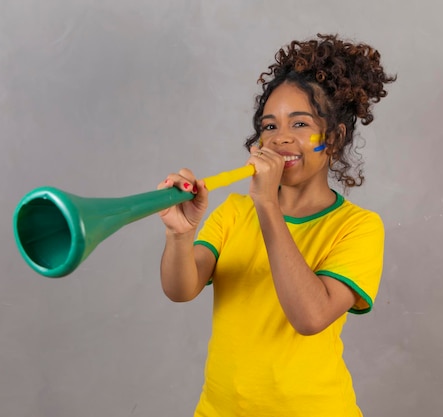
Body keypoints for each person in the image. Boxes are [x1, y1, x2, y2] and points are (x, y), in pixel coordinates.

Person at [157, 33, 396, 417]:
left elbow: (310, 317)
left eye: (300, 123)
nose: (281, 137)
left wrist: (267, 202)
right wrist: (179, 234)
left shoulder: (358, 227)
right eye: (269, 127)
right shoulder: (234, 212)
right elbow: (181, 290)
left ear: (333, 139)